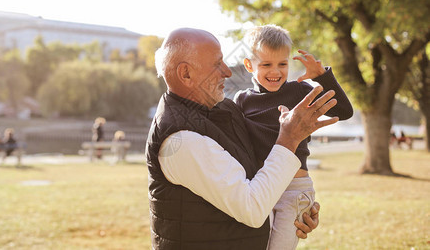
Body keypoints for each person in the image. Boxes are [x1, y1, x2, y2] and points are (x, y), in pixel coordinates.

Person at [146, 27, 339, 250]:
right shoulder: (181, 140)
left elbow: (255, 175)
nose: (228, 72)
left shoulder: (223, 109)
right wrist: (289, 138)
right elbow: (252, 208)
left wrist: (294, 210)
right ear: (186, 74)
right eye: (217, 64)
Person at [234, 24, 353, 249]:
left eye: (283, 64)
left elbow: (344, 112)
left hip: (294, 190)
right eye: (266, 64)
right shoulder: (242, 101)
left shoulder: (299, 91)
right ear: (249, 65)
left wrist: (323, 77)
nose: (275, 72)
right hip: (260, 187)